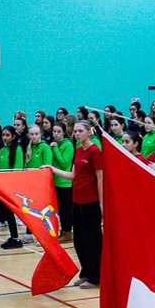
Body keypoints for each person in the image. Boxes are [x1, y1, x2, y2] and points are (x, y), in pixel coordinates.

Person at [46, 121, 103, 289]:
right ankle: (85, 272)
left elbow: (100, 178)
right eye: (76, 131)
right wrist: (51, 168)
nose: (77, 134)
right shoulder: (78, 150)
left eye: (80, 131)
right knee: (79, 239)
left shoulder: (94, 151)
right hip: (77, 200)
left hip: (90, 201)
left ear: (88, 132)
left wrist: (101, 203)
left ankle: (96, 276)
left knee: (92, 239)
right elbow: (72, 175)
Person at [0, 125, 25, 250]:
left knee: (11, 213)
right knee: (6, 213)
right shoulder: (2, 150)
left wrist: (11, 185)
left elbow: (17, 169)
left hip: (11, 187)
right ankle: (13, 236)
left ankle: (17, 238)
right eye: (3, 135)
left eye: (7, 135)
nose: (5, 138)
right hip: (2, 186)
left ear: (13, 136)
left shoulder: (17, 150)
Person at [50, 121, 74, 238]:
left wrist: (55, 149)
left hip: (65, 183)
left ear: (64, 132)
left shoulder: (67, 145)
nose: (56, 134)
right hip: (54, 182)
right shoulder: (54, 144)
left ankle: (67, 232)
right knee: (57, 210)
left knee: (66, 210)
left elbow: (64, 164)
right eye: (54, 131)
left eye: (59, 131)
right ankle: (61, 231)